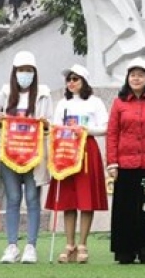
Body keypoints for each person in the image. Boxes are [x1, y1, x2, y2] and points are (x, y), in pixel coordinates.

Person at [106, 57, 145, 264]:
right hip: (125, 165)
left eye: (140, 75)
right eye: (133, 75)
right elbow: (112, 134)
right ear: (127, 78)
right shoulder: (119, 103)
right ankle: (124, 249)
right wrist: (112, 162)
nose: (136, 79)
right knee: (125, 209)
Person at [46, 64, 109, 264]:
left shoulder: (95, 102)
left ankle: (83, 244)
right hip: (65, 150)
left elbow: (105, 127)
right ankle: (69, 244)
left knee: (86, 198)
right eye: (69, 79)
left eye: (76, 79)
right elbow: (55, 127)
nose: (71, 83)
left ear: (84, 82)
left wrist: (85, 129)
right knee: (68, 200)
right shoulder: (62, 104)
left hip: (86, 150)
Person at [0, 51, 52, 264]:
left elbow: (50, 126)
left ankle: (31, 245)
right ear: (14, 72)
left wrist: (45, 125)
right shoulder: (5, 93)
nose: (24, 74)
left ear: (35, 73)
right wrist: (0, 121)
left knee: (32, 198)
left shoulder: (43, 94)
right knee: (13, 199)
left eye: (28, 70)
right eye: (21, 70)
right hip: (10, 154)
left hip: (34, 156)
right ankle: (11, 245)